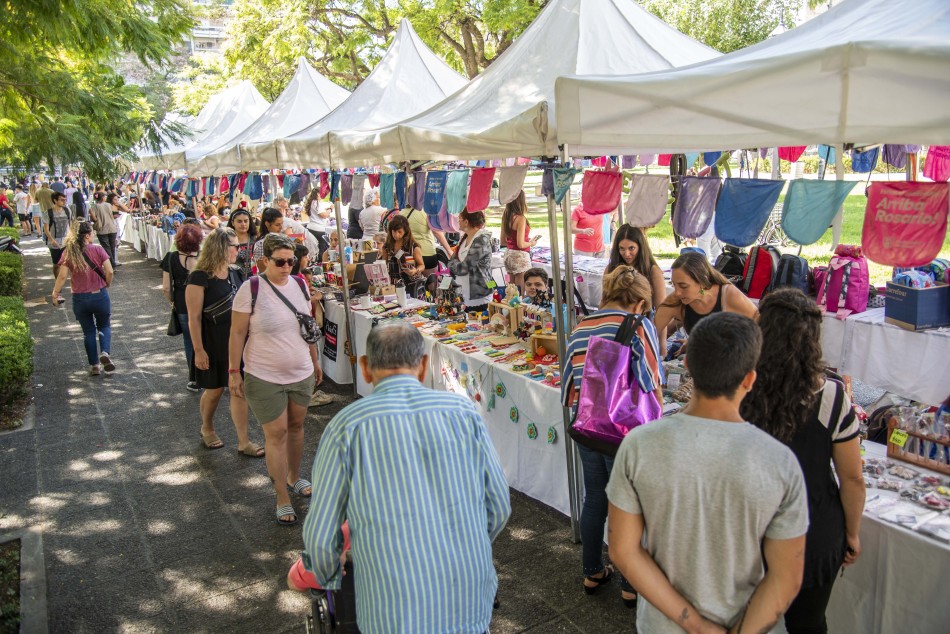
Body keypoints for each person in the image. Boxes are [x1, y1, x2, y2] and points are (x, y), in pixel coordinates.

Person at [302, 321, 511, 632]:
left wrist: (328, 575)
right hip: (468, 594)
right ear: (424, 365)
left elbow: (321, 538)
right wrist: (468, 544)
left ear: (365, 369)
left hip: (392, 607)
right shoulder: (463, 413)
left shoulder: (346, 427)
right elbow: (499, 507)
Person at [607, 312, 808, 634]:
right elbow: (787, 577)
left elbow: (623, 550)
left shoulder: (639, 445)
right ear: (749, 379)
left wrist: (696, 625)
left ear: (687, 366)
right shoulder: (780, 461)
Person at [740, 289, 864, 634]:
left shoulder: (738, 384)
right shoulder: (831, 396)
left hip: (748, 529)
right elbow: (852, 478)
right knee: (808, 625)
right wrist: (852, 533)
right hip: (813, 532)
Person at [561, 265, 663, 609]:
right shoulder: (637, 325)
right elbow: (651, 382)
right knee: (631, 507)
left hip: (588, 428)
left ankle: (592, 571)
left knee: (595, 500)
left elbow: (568, 388)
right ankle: (630, 584)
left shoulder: (580, 327)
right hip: (625, 434)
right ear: (638, 301)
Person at [229, 233, 324, 525]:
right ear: (264, 261)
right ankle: (281, 495)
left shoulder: (299, 283)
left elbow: (305, 325)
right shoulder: (251, 288)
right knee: (277, 433)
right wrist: (234, 371)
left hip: (300, 372)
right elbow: (236, 333)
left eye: (291, 261)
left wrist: (315, 358)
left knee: (296, 428)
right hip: (264, 374)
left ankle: (295, 476)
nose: (286, 267)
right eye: (280, 262)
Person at [185, 228, 263, 457]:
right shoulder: (199, 277)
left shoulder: (236, 273)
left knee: (239, 390)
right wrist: (198, 350)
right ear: (220, 247)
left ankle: (243, 441)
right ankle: (207, 427)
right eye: (235, 246)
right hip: (212, 342)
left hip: (237, 342)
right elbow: (194, 317)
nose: (238, 251)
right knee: (214, 390)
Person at [654, 251, 758, 356]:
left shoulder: (727, 295)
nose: (677, 292)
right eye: (674, 285)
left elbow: (761, 325)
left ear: (702, 280)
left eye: (683, 286)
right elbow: (650, 334)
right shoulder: (676, 301)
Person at [50, 221, 115, 375]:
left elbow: (63, 275)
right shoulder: (98, 250)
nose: (93, 235)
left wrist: (55, 293)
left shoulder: (69, 252)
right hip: (99, 295)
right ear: (87, 235)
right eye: (92, 232)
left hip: (79, 298)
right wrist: (106, 283)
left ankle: (94, 366)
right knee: (104, 325)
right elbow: (110, 271)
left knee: (88, 332)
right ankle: (105, 353)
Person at [162, 224, 203, 392]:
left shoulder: (171, 258)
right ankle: (209, 374)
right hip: (204, 304)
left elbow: (165, 287)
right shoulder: (203, 257)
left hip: (182, 305)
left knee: (189, 341)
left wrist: (172, 301)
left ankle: (194, 378)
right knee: (207, 339)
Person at [605, 224, 666, 314]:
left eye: (631, 248)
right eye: (622, 249)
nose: (626, 254)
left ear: (640, 247)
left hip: (642, 323)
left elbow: (661, 311)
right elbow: (604, 301)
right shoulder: (611, 268)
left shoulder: (653, 271)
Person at [447, 209, 494, 309]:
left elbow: (463, 268)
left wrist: (453, 264)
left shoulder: (481, 240)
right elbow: (452, 260)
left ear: (466, 222)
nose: (458, 221)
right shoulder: (464, 237)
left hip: (478, 296)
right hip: (463, 294)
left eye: (459, 219)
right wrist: (454, 264)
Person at [500, 190, 539, 290]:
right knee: (520, 293)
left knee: (510, 291)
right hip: (520, 256)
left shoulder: (506, 216)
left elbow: (503, 241)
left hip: (508, 255)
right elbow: (520, 244)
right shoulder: (520, 219)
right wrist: (531, 243)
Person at [400, 204, 452, 275]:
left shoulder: (401, 212)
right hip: (427, 254)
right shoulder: (426, 211)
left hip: (410, 254)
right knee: (431, 282)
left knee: (415, 282)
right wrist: (449, 250)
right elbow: (437, 232)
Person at [379, 215, 425, 288]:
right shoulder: (387, 247)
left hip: (411, 285)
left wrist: (416, 270)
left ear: (405, 231)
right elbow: (383, 265)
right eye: (393, 231)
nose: (396, 235)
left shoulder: (413, 247)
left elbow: (422, 265)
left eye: (399, 232)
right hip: (393, 286)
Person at [44, 191, 73, 280]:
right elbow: (46, 229)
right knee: (56, 264)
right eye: (61, 200)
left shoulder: (67, 210)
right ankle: (58, 281)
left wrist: (72, 237)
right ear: (55, 200)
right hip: (55, 242)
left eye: (65, 199)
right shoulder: (48, 213)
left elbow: (71, 224)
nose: (64, 201)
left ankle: (73, 282)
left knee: (70, 262)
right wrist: (52, 240)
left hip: (66, 241)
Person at [89, 192, 119, 267]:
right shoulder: (109, 205)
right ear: (103, 198)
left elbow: (95, 219)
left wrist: (91, 214)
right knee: (112, 247)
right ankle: (112, 263)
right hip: (112, 228)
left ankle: (112, 264)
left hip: (102, 229)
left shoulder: (95, 206)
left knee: (106, 248)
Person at [226, 208, 257, 279]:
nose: (243, 224)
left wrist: (256, 275)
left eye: (246, 221)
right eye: (239, 221)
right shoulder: (227, 240)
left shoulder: (255, 239)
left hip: (253, 278)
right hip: (233, 278)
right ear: (233, 223)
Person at [303, 189, 331, 260]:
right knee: (321, 249)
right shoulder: (316, 203)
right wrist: (330, 209)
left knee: (314, 248)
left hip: (311, 228)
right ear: (318, 194)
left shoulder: (311, 203)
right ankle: (321, 265)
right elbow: (323, 215)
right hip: (319, 229)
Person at [253, 207, 284, 271]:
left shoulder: (282, 239)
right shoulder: (261, 244)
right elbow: (262, 269)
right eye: (277, 225)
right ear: (267, 224)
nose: (281, 227)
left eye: (281, 224)